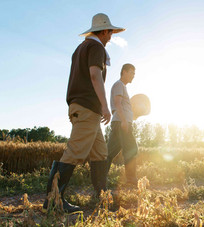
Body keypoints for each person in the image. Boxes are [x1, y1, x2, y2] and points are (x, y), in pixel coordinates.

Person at [42, 13, 125, 213]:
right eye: (111, 33)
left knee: (100, 153)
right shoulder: (96, 47)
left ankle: (102, 197)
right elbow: (95, 76)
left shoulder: (81, 48)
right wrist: (105, 106)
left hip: (86, 109)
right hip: (88, 107)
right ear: (104, 31)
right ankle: (53, 201)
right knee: (74, 152)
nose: (111, 37)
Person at [106, 64, 139, 185]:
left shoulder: (121, 86)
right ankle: (131, 179)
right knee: (131, 149)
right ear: (124, 72)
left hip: (118, 122)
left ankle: (100, 177)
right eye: (131, 73)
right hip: (121, 123)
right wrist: (125, 121)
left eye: (134, 74)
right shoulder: (119, 85)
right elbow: (118, 103)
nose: (133, 76)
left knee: (109, 153)